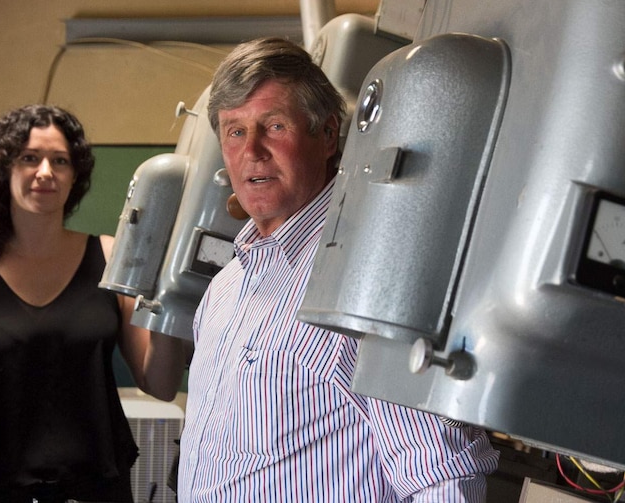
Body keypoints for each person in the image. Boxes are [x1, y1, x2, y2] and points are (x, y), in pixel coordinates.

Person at [177, 37, 499, 501]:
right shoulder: (226, 288)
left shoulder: (368, 277)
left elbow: (441, 475)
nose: (253, 150)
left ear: (328, 135)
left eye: (274, 125)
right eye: (234, 131)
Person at [0, 105, 186, 503]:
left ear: (74, 175)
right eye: (30, 158)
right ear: (3, 168)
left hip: (94, 491)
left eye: (59, 160)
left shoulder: (112, 257)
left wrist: (171, 294)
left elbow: (161, 385)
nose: (45, 171)